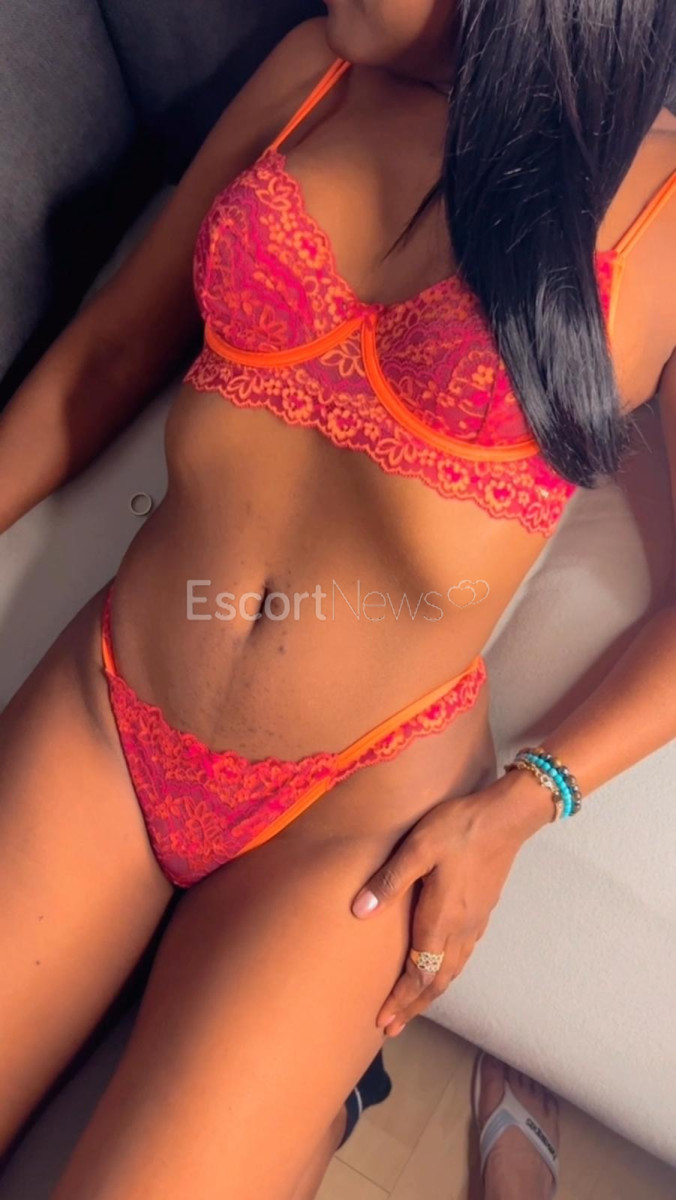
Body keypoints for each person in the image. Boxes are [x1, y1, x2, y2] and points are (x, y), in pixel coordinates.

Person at [0, 2, 674, 1197]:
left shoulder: (661, 214)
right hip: (113, 708)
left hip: (353, 814)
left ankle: (316, 1097)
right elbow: (110, 353)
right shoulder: (314, 72)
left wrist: (528, 799)